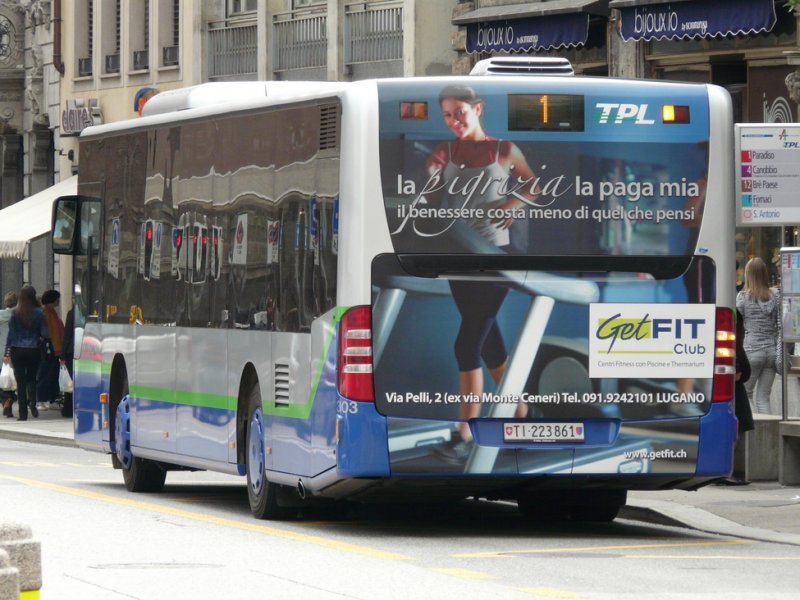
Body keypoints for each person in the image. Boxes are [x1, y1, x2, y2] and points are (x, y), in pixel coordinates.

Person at [425, 85, 539, 460]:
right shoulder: (446, 151)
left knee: (466, 343)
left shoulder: (503, 149)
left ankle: (465, 435)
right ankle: (522, 414)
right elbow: (428, 192)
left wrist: (512, 204)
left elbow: (533, 185)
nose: (454, 121)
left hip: (494, 255)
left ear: (477, 108)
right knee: (490, 343)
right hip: (458, 255)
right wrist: (430, 173)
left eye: (460, 112)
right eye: (447, 115)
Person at [736, 257, 780, 414]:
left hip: (752, 351)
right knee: (763, 397)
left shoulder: (743, 297)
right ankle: (767, 436)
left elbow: (737, 324)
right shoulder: (775, 297)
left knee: (747, 394)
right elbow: (779, 324)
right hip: (771, 352)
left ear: (748, 275)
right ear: (764, 274)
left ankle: (754, 436)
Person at [718, 311, 755, 486]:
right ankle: (724, 471)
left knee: (740, 423)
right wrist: (736, 366)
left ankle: (724, 470)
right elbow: (732, 342)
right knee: (737, 423)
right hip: (733, 377)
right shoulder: (728, 312)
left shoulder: (731, 310)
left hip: (735, 374)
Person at [3, 285, 47, 420]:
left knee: (20, 382)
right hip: (34, 350)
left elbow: (10, 335)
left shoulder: (15, 313)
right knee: (32, 378)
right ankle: (33, 402)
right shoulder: (39, 313)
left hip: (17, 350)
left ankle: (23, 414)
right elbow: (45, 333)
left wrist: (6, 352)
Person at [38, 289, 64, 410]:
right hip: (50, 348)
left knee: (50, 373)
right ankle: (42, 399)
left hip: (53, 348)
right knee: (46, 374)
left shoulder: (51, 311)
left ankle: (48, 397)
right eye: (57, 299)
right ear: (52, 300)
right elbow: (49, 331)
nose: (59, 301)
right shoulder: (46, 312)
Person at [0, 292, 18, 417]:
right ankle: (10, 398)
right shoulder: (19, 315)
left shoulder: (1, 315)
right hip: (15, 351)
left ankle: (6, 400)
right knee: (12, 380)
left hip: (1, 352)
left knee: (3, 380)